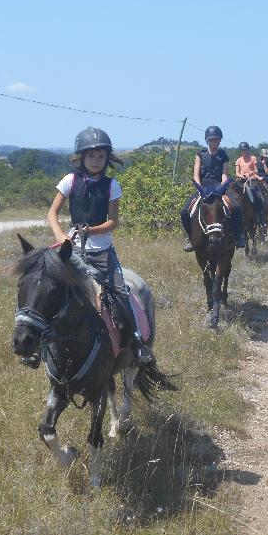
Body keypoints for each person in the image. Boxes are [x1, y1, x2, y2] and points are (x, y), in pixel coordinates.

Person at [47, 127, 155, 367]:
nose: (96, 161)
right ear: (81, 157)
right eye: (91, 156)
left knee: (121, 295)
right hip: (74, 251)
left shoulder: (111, 185)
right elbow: (52, 212)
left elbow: (113, 221)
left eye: (100, 157)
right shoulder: (69, 181)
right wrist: (62, 235)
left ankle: (137, 343)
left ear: (107, 158)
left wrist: (93, 230)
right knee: (50, 291)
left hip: (103, 252)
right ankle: (42, 342)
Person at [180, 125, 245, 251]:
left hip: (219, 187)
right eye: (211, 140)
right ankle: (190, 238)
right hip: (203, 187)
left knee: (237, 207)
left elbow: (224, 174)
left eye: (215, 139)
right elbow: (196, 174)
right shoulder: (200, 154)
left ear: (219, 140)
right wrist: (199, 188)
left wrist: (221, 188)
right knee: (184, 212)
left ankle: (238, 236)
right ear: (207, 140)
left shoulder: (223, 155)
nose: (213, 142)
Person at [235, 141, 265, 218]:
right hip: (241, 180)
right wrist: (241, 176)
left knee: (256, 194)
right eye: (242, 150)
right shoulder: (239, 160)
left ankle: (260, 213)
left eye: (244, 150)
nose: (243, 151)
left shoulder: (253, 158)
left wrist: (250, 173)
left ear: (248, 150)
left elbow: (256, 171)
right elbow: (237, 172)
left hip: (251, 180)